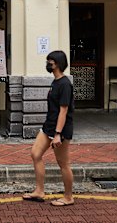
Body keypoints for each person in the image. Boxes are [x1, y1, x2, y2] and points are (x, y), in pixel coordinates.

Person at [22, 50, 75, 206]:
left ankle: (68, 196)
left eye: (50, 61)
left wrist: (58, 134)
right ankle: (39, 191)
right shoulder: (55, 82)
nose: (47, 64)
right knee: (35, 154)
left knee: (63, 163)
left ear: (57, 63)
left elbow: (63, 110)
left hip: (61, 129)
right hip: (48, 126)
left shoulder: (65, 84)